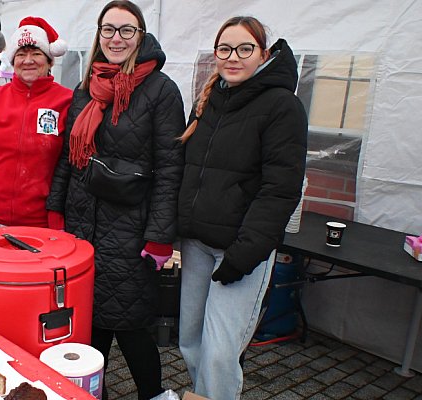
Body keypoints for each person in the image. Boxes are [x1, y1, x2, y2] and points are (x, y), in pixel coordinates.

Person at [45, 1, 184, 398]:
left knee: (129, 321)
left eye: (126, 30)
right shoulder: (86, 87)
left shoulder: (161, 90)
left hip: (129, 226)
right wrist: (57, 211)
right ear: (98, 35)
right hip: (81, 220)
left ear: (141, 35)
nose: (116, 39)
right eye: (108, 30)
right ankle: (91, 392)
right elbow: (68, 158)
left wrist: (160, 236)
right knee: (90, 319)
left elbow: (171, 168)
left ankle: (153, 394)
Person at [177, 16, 308, 400]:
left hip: (239, 250)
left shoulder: (283, 106)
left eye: (244, 49)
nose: (233, 58)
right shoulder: (210, 98)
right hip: (198, 244)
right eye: (225, 49)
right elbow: (190, 167)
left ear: (263, 54)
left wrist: (246, 253)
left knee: (219, 354)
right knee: (190, 341)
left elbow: (281, 189)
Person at [0, 17, 72, 230]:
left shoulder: (67, 102)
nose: (28, 60)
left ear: (49, 61)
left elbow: (73, 165)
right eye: (21, 54)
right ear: (12, 60)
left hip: (43, 223)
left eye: (36, 53)